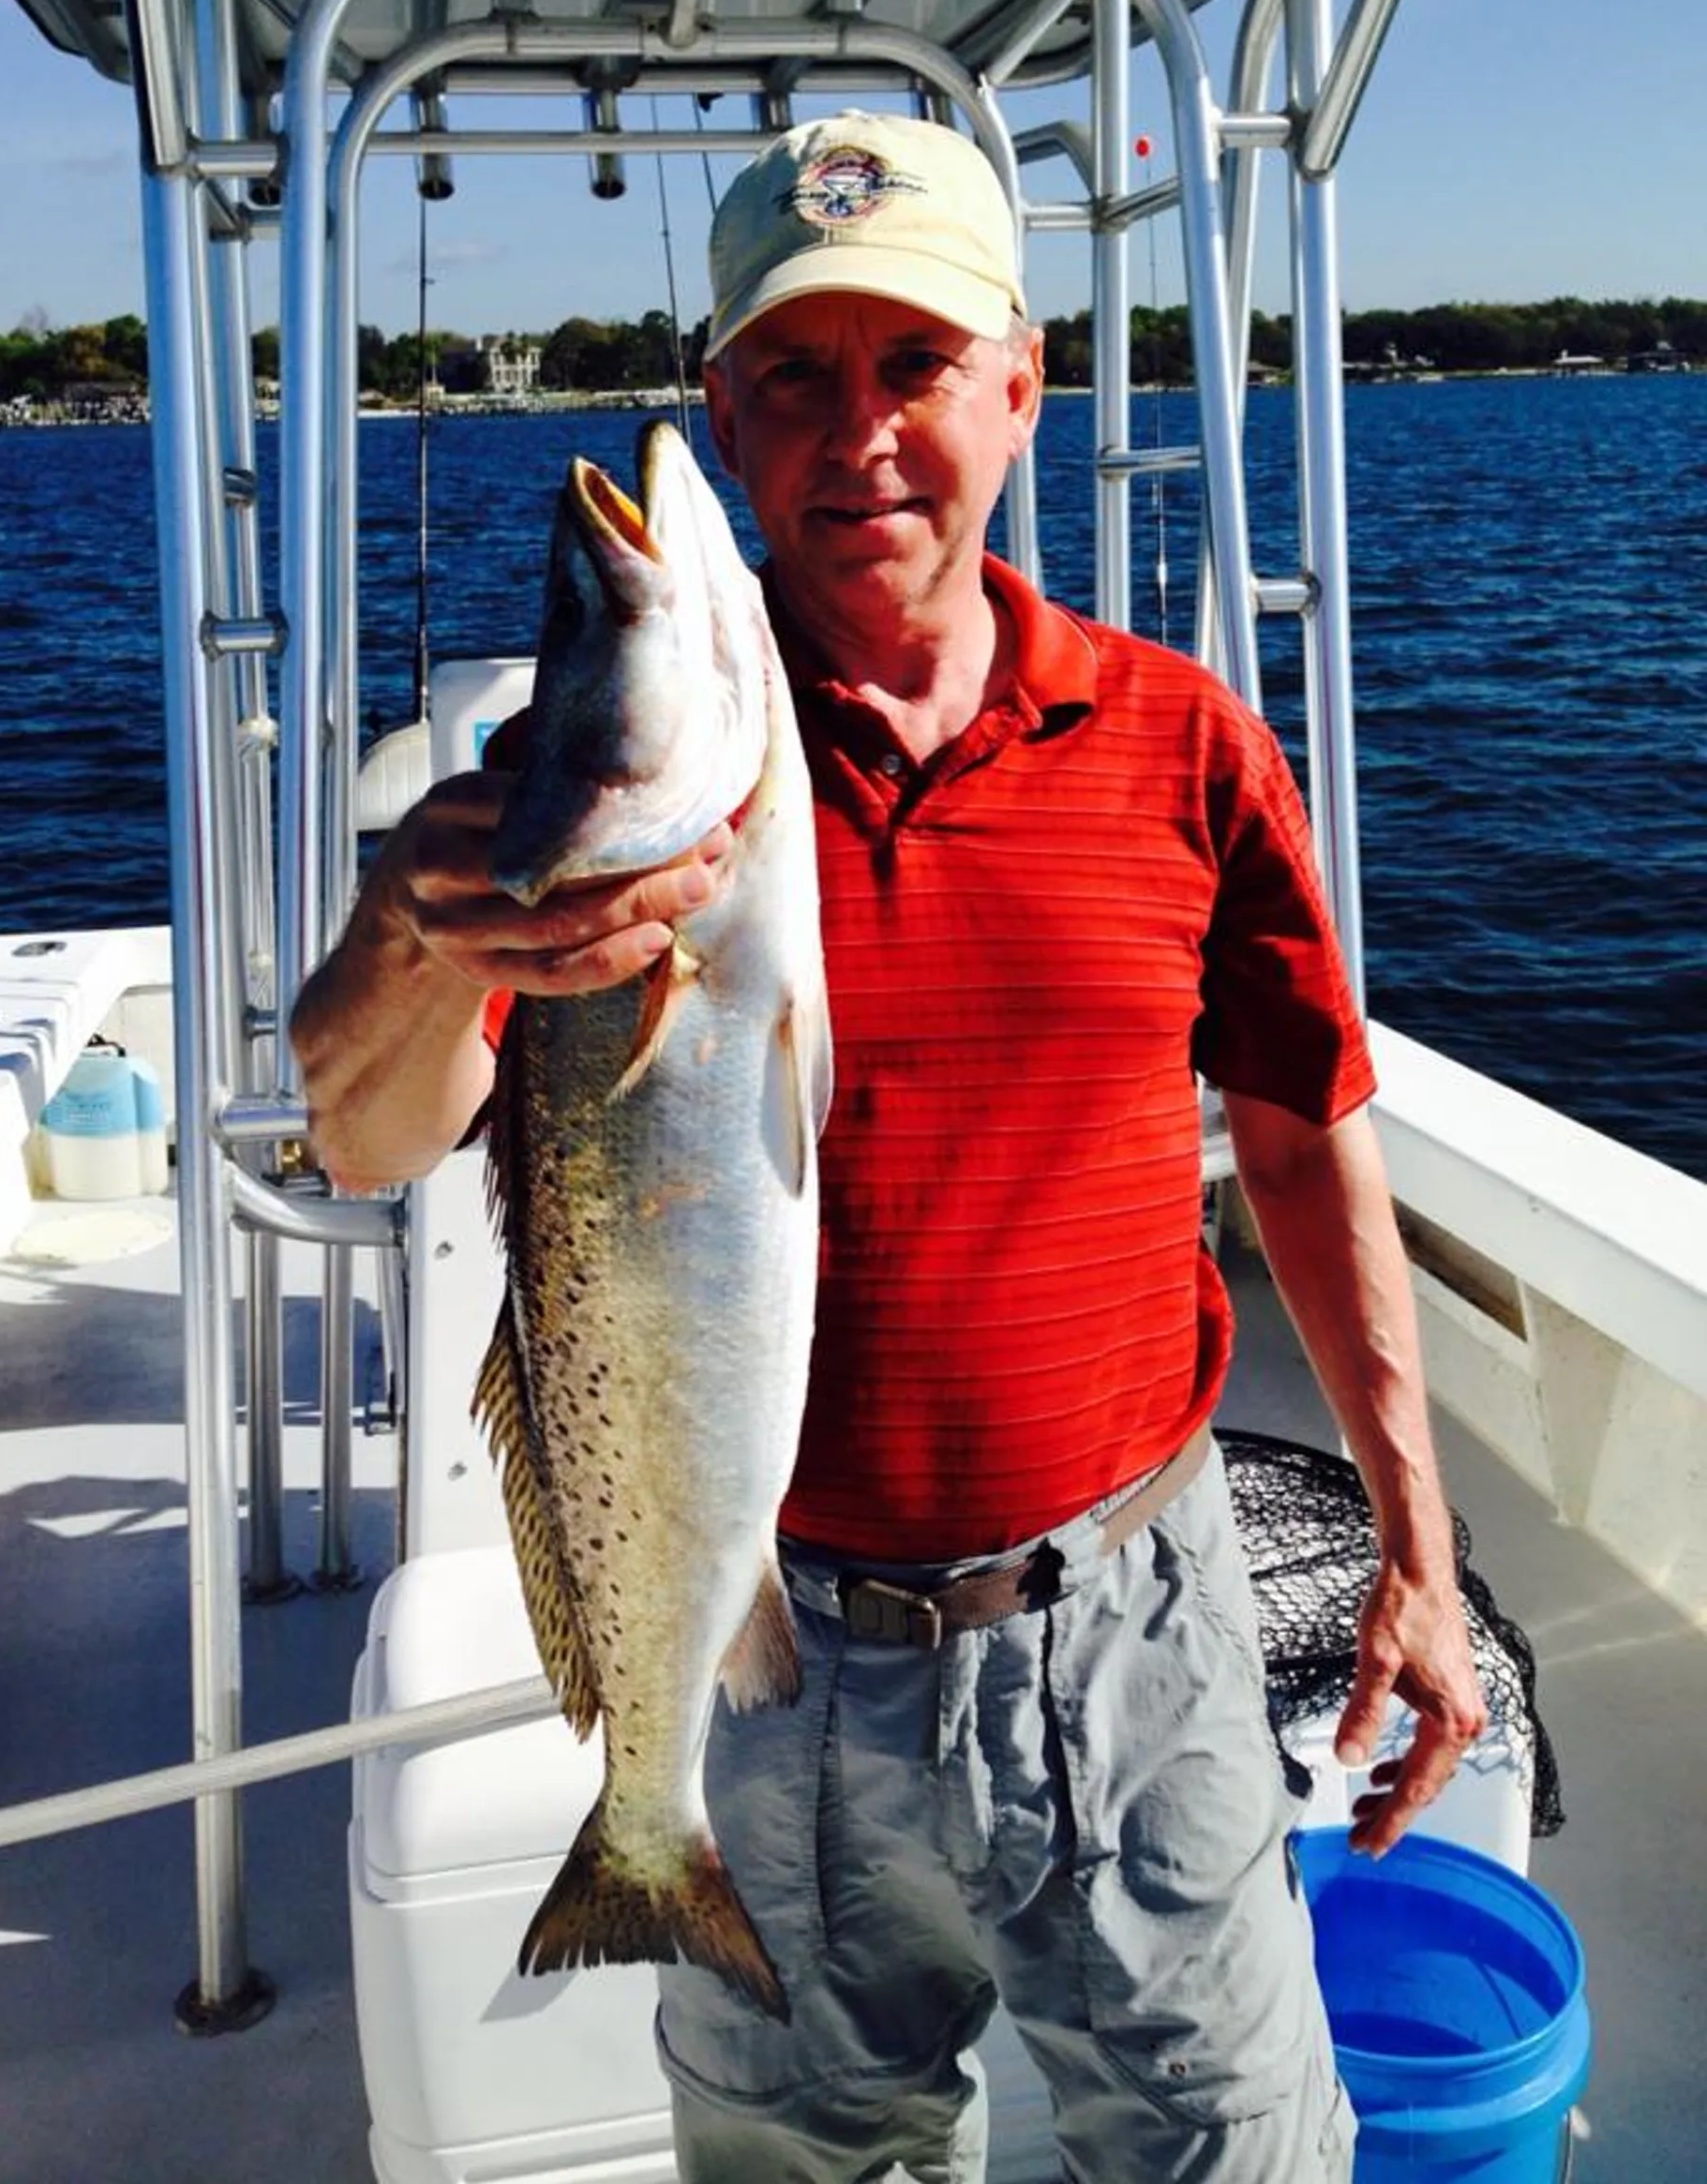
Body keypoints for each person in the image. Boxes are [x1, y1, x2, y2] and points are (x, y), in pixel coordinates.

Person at [291, 109, 1487, 2183]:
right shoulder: (559, 826)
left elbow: (1300, 1138)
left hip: (1138, 1634)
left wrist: (1420, 1540)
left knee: (1236, 2146)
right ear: (728, 418)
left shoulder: (1186, 740)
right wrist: (411, 918)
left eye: (914, 367)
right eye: (793, 379)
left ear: (1019, 383)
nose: (862, 440)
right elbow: (367, 1128)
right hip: (776, 1665)